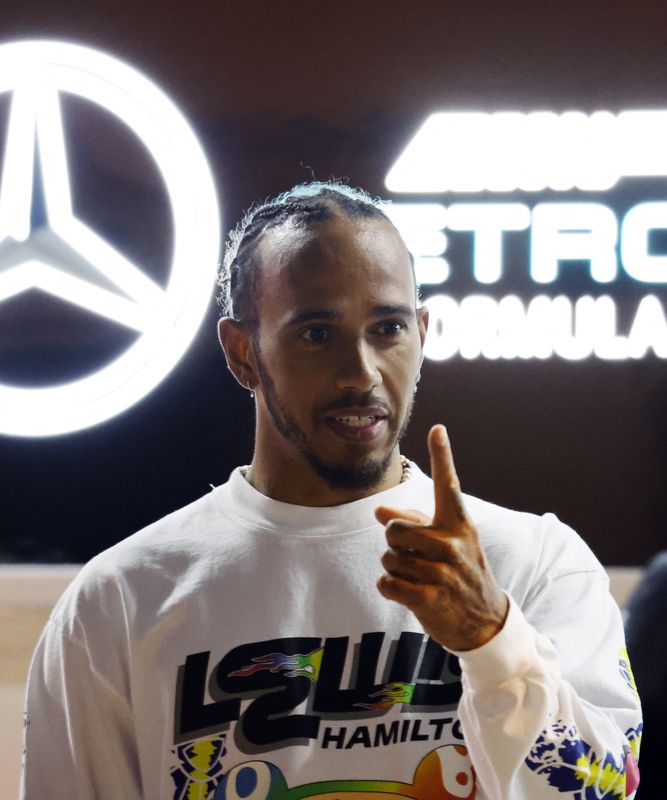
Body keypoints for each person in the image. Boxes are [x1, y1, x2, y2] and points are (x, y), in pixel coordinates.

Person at [22, 182, 641, 800]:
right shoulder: (120, 599)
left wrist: (493, 640)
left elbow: (607, 791)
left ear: (422, 334)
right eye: (317, 334)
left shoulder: (535, 562)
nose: (361, 371)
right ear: (243, 352)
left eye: (389, 328)